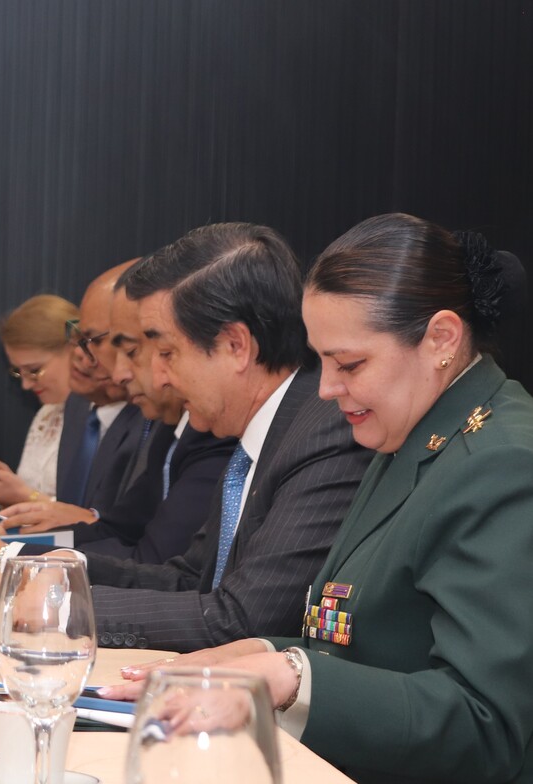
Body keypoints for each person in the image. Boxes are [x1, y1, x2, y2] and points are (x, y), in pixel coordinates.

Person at [104, 214, 533, 784]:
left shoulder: (500, 462)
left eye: (349, 364)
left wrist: (290, 676)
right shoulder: (411, 428)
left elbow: (486, 725)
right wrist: (248, 656)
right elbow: (369, 646)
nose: (326, 388)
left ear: (442, 340)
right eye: (322, 360)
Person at [16, 223, 372, 652]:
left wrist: (62, 606)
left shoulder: (323, 435)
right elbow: (191, 579)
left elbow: (242, 619)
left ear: (236, 346)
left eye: (166, 353)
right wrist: (68, 568)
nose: (159, 376)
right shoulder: (258, 432)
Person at [5, 264, 236, 564]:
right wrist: (8, 551)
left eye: (128, 349)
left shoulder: (212, 433)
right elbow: (118, 530)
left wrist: (25, 559)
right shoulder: (170, 428)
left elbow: (152, 564)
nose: (118, 373)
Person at [0, 294, 79, 505]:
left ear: (74, 349)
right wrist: (9, 490)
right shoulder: (47, 414)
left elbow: (95, 519)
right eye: (19, 372)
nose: (26, 385)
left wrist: (24, 495)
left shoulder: (103, 420)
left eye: (34, 370)